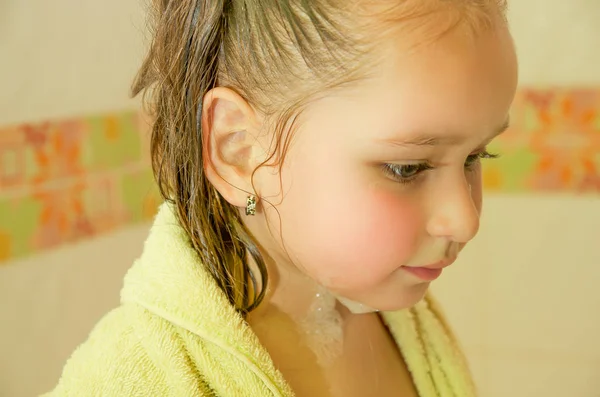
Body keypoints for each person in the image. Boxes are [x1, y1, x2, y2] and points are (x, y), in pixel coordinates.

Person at [44, 0, 517, 396]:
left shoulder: (402, 325)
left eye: (477, 155)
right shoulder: (125, 380)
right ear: (240, 151)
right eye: (406, 168)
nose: (465, 219)